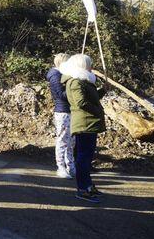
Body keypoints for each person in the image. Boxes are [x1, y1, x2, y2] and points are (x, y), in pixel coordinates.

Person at [60, 54, 106, 203]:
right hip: (84, 123)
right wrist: (98, 110)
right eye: (89, 64)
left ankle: (88, 185)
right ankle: (82, 188)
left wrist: (103, 91)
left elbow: (91, 98)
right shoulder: (75, 81)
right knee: (83, 157)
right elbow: (81, 102)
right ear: (82, 65)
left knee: (87, 157)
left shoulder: (82, 80)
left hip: (89, 123)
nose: (91, 66)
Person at [46, 53, 75, 179]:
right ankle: (61, 167)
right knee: (63, 139)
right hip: (63, 111)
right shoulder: (55, 75)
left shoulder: (63, 75)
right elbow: (60, 95)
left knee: (71, 140)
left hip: (70, 110)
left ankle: (71, 166)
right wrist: (74, 88)